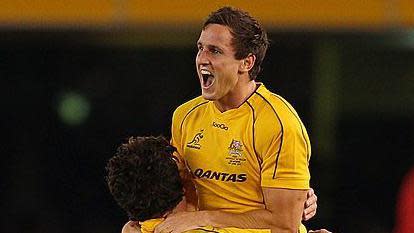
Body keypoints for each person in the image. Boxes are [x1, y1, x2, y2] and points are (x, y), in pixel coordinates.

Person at [153, 6, 317, 233]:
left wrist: (203, 218)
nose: (202, 59)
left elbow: (284, 223)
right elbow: (178, 195)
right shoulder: (185, 115)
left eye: (215, 51)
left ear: (246, 63)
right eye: (200, 48)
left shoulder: (278, 123)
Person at [108, 136, 330, 233]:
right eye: (186, 164)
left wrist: (291, 194)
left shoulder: (139, 228)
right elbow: (284, 224)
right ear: (186, 182)